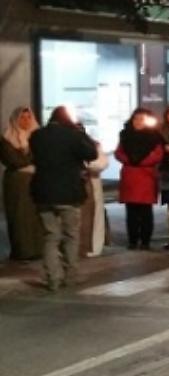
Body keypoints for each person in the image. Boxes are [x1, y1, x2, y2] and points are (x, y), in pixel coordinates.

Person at [29, 106, 98, 290]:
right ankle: (70, 277)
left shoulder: (37, 135)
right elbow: (92, 154)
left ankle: (53, 278)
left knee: (50, 236)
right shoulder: (73, 135)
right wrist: (82, 133)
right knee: (71, 235)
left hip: (43, 192)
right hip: (68, 192)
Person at [114, 108, 165, 250]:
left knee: (145, 211)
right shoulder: (125, 135)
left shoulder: (154, 136)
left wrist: (141, 162)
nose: (138, 122)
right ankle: (132, 240)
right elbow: (118, 153)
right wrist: (129, 161)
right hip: (130, 176)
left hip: (146, 176)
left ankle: (145, 240)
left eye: (142, 119)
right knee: (131, 211)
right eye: (136, 119)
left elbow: (158, 154)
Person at [1, 106, 43, 260]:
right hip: (17, 183)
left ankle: (37, 250)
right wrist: (31, 156)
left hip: (35, 180)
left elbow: (43, 155)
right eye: (22, 118)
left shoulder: (37, 136)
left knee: (35, 217)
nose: (25, 121)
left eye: (28, 117)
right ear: (15, 119)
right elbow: (14, 161)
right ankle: (23, 251)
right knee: (19, 218)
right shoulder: (7, 138)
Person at [79, 142, 109, 258]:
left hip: (92, 183)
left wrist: (87, 166)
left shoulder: (94, 145)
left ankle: (94, 246)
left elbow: (102, 163)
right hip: (74, 184)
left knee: (94, 216)